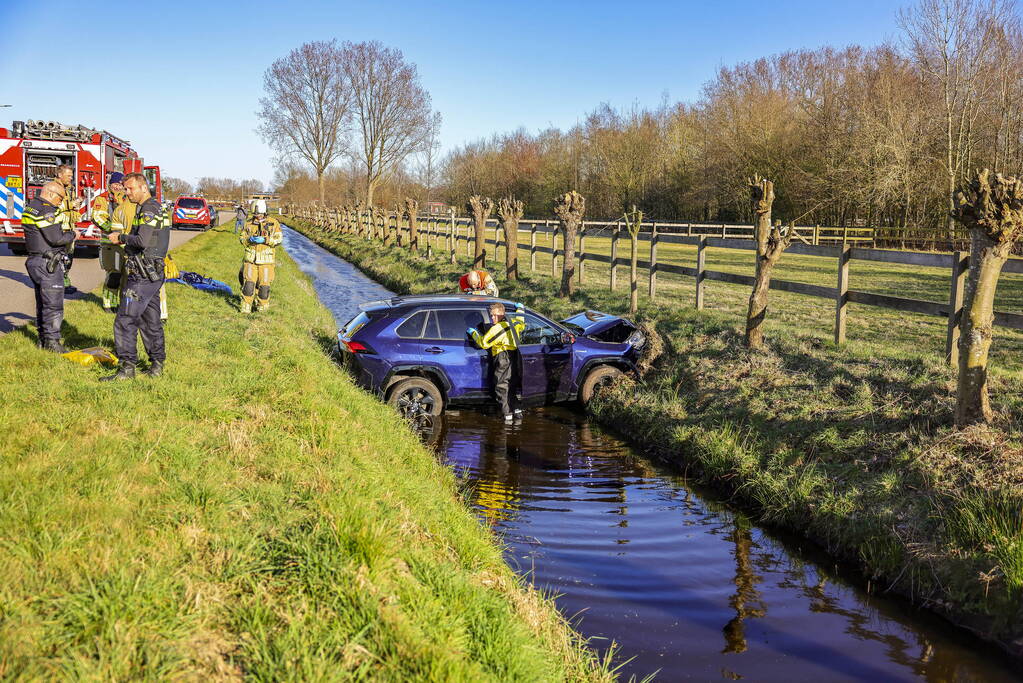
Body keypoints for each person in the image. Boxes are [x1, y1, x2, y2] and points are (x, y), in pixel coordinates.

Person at [101, 173, 170, 381]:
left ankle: (126, 368)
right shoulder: (156, 206)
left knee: (125, 320)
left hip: (142, 275)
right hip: (153, 273)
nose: (126, 192)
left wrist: (119, 237)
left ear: (143, 188)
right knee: (150, 320)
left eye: (130, 189)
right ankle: (157, 364)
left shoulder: (148, 208)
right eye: (125, 188)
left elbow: (142, 240)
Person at [22, 181, 75, 352]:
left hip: (35, 260)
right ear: (51, 193)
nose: (61, 202)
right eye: (60, 198)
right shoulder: (46, 210)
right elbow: (56, 239)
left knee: (42, 303)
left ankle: (42, 339)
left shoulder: (32, 206)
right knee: (53, 305)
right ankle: (52, 343)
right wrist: (73, 235)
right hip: (48, 263)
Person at [470, 302, 525, 422]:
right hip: (515, 355)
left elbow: (483, 343)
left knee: (501, 386)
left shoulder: (497, 328)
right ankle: (517, 411)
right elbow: (521, 322)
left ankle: (507, 416)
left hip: (503, 357)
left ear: (502, 314)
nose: (492, 318)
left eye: (495, 315)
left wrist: (474, 333)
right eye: (491, 316)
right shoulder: (514, 323)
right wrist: (520, 309)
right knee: (512, 384)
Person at [239, 199, 283, 313]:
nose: (257, 217)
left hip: (266, 261)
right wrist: (249, 239)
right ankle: (245, 307)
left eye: (258, 214)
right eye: (255, 214)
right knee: (248, 284)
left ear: (264, 212)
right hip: (250, 260)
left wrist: (266, 239)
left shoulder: (274, 223)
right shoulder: (248, 223)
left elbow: (279, 239)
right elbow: (242, 238)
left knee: (264, 286)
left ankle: (262, 308)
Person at [54, 164, 79, 294]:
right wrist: (71, 204)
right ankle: (58, 283)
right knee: (59, 256)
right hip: (59, 227)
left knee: (69, 255)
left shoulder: (70, 188)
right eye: (68, 175)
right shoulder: (53, 188)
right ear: (59, 175)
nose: (71, 178)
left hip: (69, 226)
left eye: (71, 175)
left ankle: (65, 279)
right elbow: (53, 205)